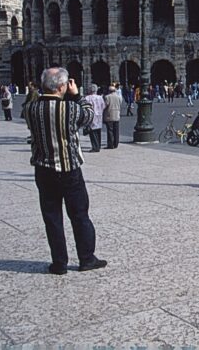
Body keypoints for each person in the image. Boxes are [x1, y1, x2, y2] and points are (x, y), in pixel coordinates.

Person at [24, 67, 107, 275]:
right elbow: (89, 116)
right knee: (79, 215)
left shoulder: (30, 109)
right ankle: (86, 258)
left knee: (52, 217)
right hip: (69, 169)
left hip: (43, 171)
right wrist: (77, 94)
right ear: (62, 86)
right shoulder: (70, 109)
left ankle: (59, 263)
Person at [84, 84, 105, 153]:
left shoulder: (87, 98)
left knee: (93, 132)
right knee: (98, 131)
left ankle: (95, 147)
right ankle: (98, 145)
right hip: (99, 115)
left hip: (92, 115)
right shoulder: (100, 97)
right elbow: (103, 106)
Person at [103, 85, 122, 149]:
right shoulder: (118, 97)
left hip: (109, 115)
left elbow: (105, 105)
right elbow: (120, 104)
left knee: (110, 130)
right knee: (116, 130)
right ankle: (116, 143)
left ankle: (110, 144)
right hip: (117, 115)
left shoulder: (107, 97)